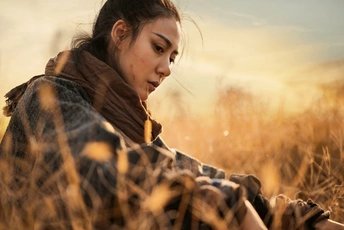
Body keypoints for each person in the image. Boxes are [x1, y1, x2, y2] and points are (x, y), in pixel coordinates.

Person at [0, 0, 339, 229]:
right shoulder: (50, 97)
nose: (166, 69)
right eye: (159, 48)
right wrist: (223, 203)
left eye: (172, 58)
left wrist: (301, 218)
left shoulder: (130, 123)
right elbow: (105, 175)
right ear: (120, 35)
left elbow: (188, 169)